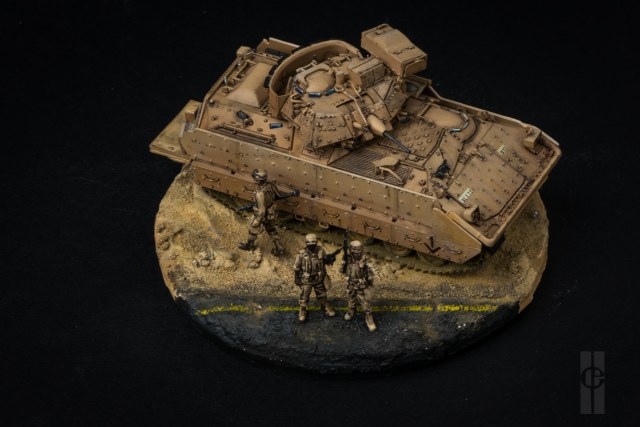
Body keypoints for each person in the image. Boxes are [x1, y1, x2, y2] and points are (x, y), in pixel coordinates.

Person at [238, 169, 285, 255]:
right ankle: (279, 248)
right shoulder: (270, 184)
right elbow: (278, 195)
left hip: (262, 214)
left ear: (257, 180)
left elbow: (262, 211)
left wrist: (258, 220)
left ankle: (250, 245)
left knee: (252, 227)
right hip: (271, 212)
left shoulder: (259, 194)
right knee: (271, 229)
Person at [293, 234, 336, 322]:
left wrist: (330, 259)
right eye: (309, 243)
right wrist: (296, 278)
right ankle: (303, 310)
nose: (311, 244)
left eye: (313, 242)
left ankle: (325, 307)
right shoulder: (301, 253)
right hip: (306, 280)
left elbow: (325, 261)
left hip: (319, 278)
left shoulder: (321, 250)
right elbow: (297, 267)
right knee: (304, 295)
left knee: (322, 294)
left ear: (316, 242)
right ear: (306, 243)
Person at [342, 240, 377, 332]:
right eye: (355, 250)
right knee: (351, 299)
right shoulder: (347, 258)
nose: (357, 253)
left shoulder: (365, 258)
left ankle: (369, 319)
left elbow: (371, 268)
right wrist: (343, 262)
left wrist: (374, 273)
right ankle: (351, 312)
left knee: (365, 303)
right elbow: (342, 270)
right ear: (351, 250)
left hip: (361, 285)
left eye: (359, 250)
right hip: (351, 284)